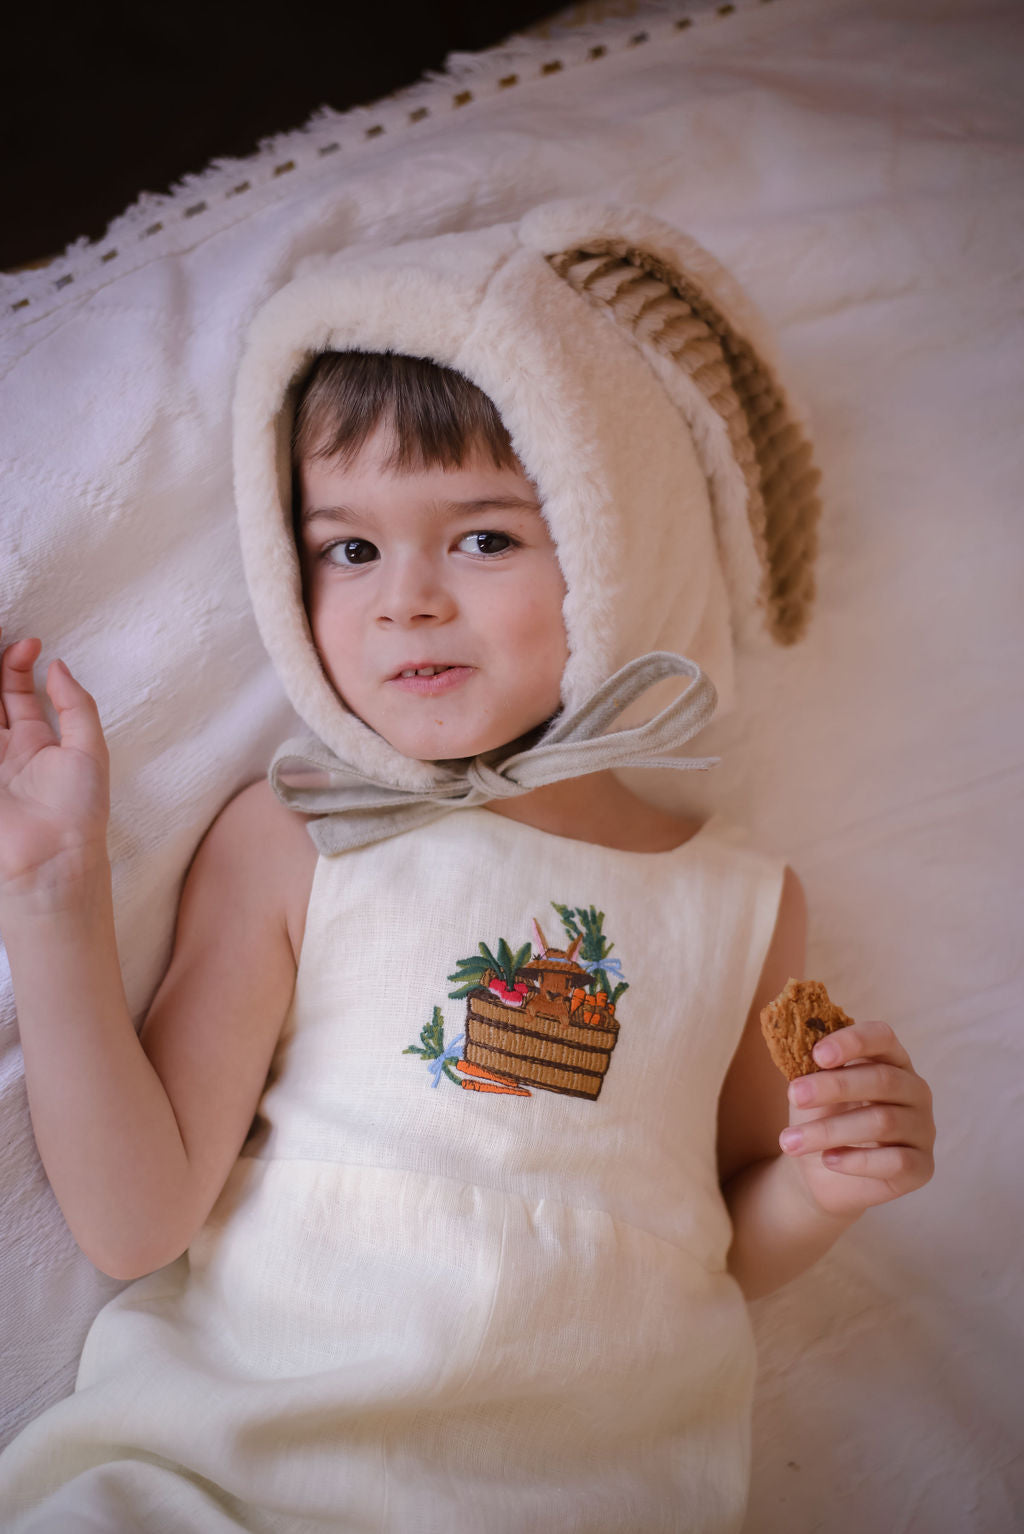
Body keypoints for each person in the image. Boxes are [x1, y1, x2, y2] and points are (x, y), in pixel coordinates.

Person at [0, 201, 935, 1533]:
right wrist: (51, 897)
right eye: (350, 548)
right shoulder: (302, 836)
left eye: (484, 537)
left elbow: (724, 1241)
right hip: (233, 1479)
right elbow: (137, 1219)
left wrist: (830, 1181)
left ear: (616, 545)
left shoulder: (738, 902)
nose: (406, 599)